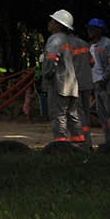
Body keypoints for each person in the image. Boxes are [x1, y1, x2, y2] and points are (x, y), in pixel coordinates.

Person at [43, 9, 84, 147]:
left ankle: (61, 148)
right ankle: (79, 146)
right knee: (73, 116)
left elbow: (50, 60)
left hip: (58, 84)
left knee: (58, 116)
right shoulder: (67, 40)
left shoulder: (55, 39)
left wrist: (46, 74)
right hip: (71, 85)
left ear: (58, 24)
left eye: (52, 21)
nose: (49, 23)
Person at [86, 18, 110, 144]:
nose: (90, 32)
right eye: (89, 29)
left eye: (93, 29)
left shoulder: (109, 44)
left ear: (100, 31)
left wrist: (104, 79)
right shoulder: (90, 46)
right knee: (102, 115)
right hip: (97, 85)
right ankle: (109, 141)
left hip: (109, 85)